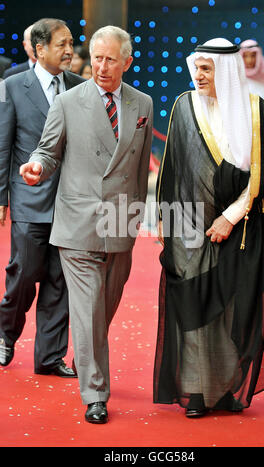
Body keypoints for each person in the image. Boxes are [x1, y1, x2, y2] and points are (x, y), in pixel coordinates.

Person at [20, 25, 153, 424]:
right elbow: (48, 149)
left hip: (122, 224)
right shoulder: (67, 101)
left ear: (127, 62)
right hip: (79, 224)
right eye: (96, 57)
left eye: (111, 59)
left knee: (102, 309)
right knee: (89, 308)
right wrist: (38, 166)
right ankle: (96, 393)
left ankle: (85, 350)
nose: (102, 66)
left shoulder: (142, 103)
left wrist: (141, 219)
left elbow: (142, 163)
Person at [154, 38, 264, 418]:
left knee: (231, 309)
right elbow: (172, 168)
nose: (199, 75)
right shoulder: (184, 104)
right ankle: (194, 391)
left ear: (225, 71)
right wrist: (167, 220)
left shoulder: (255, 110)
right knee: (193, 305)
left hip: (240, 229)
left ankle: (224, 389)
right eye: (197, 67)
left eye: (207, 69)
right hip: (190, 228)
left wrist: (230, 218)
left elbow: (262, 172)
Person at [0, 18, 85, 375]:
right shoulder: (12, 86)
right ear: (40, 49)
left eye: (71, 44)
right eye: (62, 45)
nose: (70, 51)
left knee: (59, 280)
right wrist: (1, 198)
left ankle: (50, 357)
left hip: (70, 203)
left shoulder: (80, 87)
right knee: (24, 274)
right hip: (28, 197)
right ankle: (5, 334)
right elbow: (3, 144)